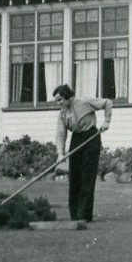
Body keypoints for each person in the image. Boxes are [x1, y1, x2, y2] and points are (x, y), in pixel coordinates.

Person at [53, 84, 112, 223]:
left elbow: (107, 103)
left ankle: (84, 215)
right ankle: (75, 215)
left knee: (87, 177)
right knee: (75, 178)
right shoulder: (62, 113)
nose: (58, 103)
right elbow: (60, 133)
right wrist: (60, 153)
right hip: (77, 139)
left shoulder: (85, 102)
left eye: (60, 100)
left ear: (68, 97)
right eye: (57, 101)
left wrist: (107, 122)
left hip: (91, 137)